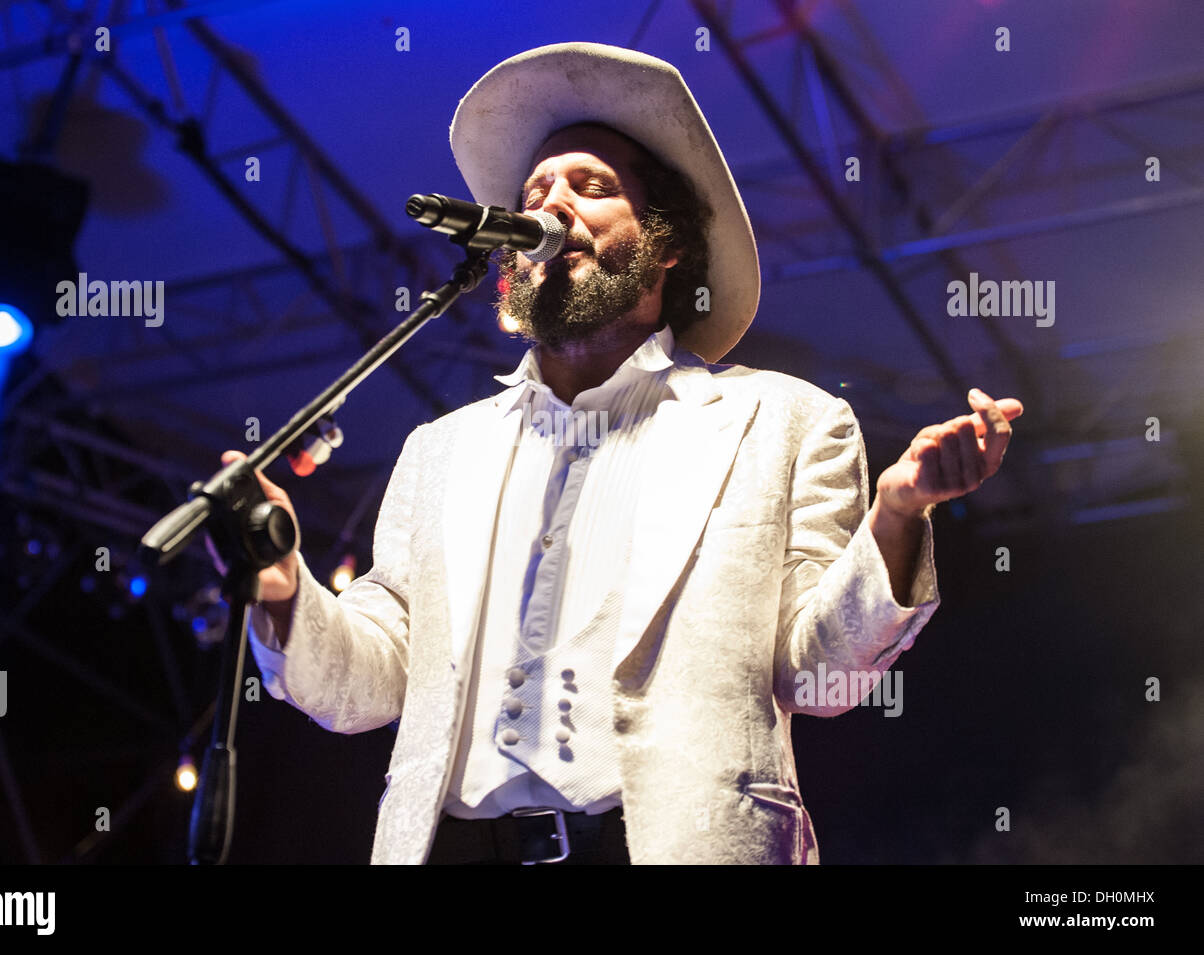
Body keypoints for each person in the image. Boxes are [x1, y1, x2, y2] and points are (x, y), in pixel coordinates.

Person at [221, 43, 1022, 865]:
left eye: (591, 187)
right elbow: (367, 686)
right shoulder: (439, 453)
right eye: (535, 193)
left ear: (667, 245)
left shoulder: (785, 421)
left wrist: (897, 514)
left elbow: (824, 672)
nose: (553, 206)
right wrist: (284, 588)